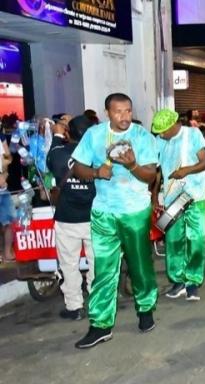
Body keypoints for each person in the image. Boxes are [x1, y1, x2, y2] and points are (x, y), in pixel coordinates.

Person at [72, 93, 159, 349]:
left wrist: (132, 166)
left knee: (139, 265)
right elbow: (77, 166)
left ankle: (145, 309)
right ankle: (100, 325)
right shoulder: (94, 135)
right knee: (104, 270)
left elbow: (150, 176)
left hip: (134, 211)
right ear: (107, 113)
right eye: (118, 111)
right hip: (102, 212)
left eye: (128, 111)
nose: (124, 116)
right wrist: (97, 172)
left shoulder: (142, 136)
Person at [151, 109, 205, 301]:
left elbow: (204, 162)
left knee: (196, 239)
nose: (161, 135)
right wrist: (154, 197)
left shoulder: (193, 134)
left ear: (173, 125)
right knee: (173, 241)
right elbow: (157, 172)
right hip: (171, 199)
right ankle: (178, 280)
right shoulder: (161, 141)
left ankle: (193, 281)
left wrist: (187, 170)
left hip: (194, 196)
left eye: (163, 131)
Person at [46, 115, 96, 320]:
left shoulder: (59, 154)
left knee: (69, 264)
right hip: (95, 217)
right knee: (97, 264)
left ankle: (75, 307)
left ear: (69, 133)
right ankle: (97, 304)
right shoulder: (98, 155)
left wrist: (57, 134)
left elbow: (49, 159)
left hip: (67, 218)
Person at [0, 134, 14, 263]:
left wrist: (4, 174)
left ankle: (7, 253)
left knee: (9, 223)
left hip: (4, 190)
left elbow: (9, 158)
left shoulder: (1, 137)